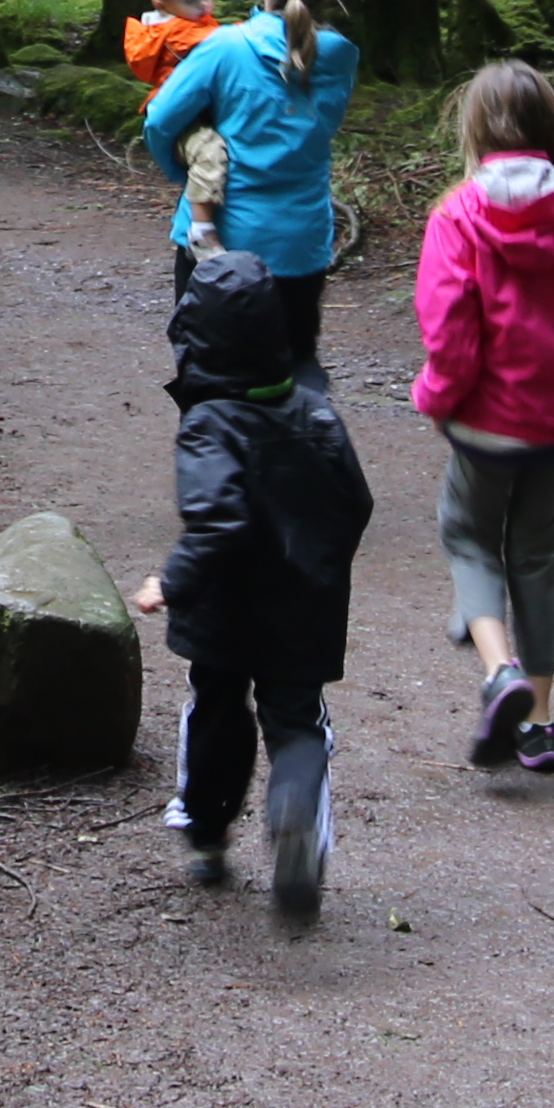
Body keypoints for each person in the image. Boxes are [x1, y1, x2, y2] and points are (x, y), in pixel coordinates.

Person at [127, 241, 375, 923]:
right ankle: (294, 815)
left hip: (225, 608)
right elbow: (355, 502)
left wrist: (170, 581)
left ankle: (207, 834)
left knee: (215, 705)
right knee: (296, 722)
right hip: (304, 604)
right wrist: (323, 566)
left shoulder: (209, 424)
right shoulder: (316, 410)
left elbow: (218, 520)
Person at [408, 58, 554, 780]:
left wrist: (440, 396)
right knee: (536, 552)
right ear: (550, 126)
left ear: (474, 127)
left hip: (484, 421)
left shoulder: (457, 214)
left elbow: (448, 328)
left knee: (468, 535)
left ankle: (498, 668)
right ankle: (537, 724)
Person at [138, 0, 353, 364]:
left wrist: (187, 173)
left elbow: (160, 119)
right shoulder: (342, 55)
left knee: (207, 371)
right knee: (292, 368)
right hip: (301, 241)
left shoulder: (225, 47)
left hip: (221, 236)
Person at [120, 0, 223, 239]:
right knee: (210, 152)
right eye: (193, 0)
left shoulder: (190, 20)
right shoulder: (177, 31)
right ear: (161, 6)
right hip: (186, 116)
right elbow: (223, 43)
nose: (205, 5)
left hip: (201, 107)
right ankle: (202, 228)